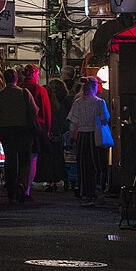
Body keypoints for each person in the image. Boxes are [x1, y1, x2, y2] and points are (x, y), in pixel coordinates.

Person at [0, 69, 40, 203]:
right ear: (17, 78)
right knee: (25, 160)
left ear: (5, 79)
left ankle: (11, 191)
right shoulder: (24, 93)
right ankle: (22, 186)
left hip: (7, 131)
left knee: (10, 160)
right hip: (23, 131)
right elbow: (34, 111)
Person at [67, 77, 110, 205]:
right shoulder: (99, 102)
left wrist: (72, 137)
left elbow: (73, 123)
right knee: (97, 164)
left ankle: (84, 191)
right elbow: (104, 120)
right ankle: (97, 189)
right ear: (95, 87)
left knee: (83, 164)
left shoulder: (77, 102)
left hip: (81, 136)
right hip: (95, 136)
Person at [19, 64, 52, 199]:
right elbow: (46, 111)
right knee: (32, 159)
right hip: (36, 128)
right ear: (35, 74)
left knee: (19, 158)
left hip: (19, 127)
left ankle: (18, 184)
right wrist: (48, 129)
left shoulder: (19, 89)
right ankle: (27, 188)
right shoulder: (40, 90)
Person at [36, 78, 70, 190]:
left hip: (47, 135)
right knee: (57, 158)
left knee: (47, 158)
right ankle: (59, 179)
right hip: (57, 136)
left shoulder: (44, 104)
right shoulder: (60, 105)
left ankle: (49, 180)